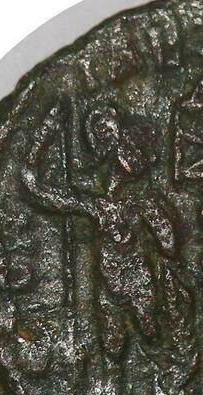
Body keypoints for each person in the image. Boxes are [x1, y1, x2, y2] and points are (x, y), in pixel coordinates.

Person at [21, 96, 178, 340]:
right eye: (130, 151)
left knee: (149, 334)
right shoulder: (98, 204)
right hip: (110, 283)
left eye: (138, 153)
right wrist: (44, 136)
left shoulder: (140, 204)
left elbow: (169, 243)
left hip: (137, 280)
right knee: (115, 342)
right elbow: (34, 186)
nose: (135, 158)